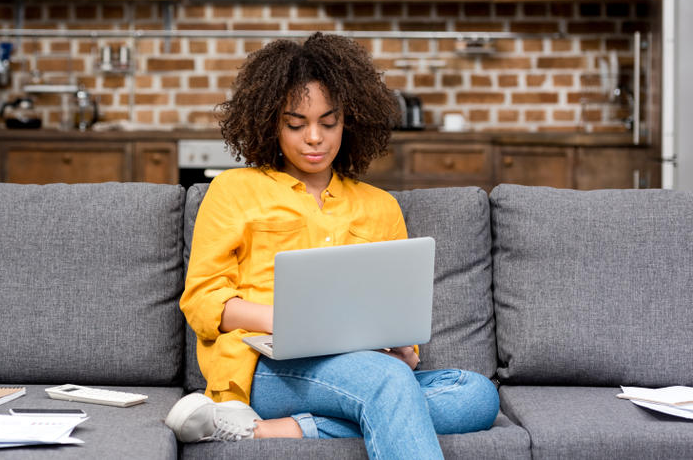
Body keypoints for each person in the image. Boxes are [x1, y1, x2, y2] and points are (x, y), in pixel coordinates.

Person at [164, 33, 499, 458]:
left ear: (350, 121)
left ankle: (268, 432)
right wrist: (289, 321)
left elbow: (398, 313)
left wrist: (402, 352)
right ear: (271, 122)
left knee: (476, 394)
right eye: (296, 124)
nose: (314, 138)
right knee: (387, 383)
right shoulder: (233, 190)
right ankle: (346, 402)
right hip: (267, 366)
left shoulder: (380, 206)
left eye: (328, 122)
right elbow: (203, 300)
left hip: (364, 366)